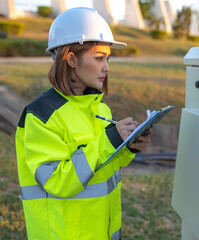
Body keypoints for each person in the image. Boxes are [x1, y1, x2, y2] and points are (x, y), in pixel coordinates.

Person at [16, 7, 152, 240]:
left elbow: (103, 164)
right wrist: (109, 140)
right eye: (99, 58)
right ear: (70, 59)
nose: (107, 67)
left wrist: (128, 146)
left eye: (107, 59)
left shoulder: (100, 108)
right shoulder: (41, 115)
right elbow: (57, 181)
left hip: (102, 230)